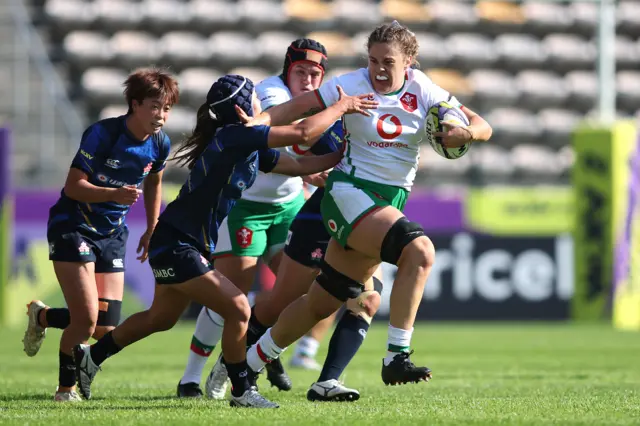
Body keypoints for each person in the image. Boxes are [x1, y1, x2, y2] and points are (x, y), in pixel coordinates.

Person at [72, 74, 378, 408]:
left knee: (161, 318)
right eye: (256, 99)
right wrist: (343, 105)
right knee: (238, 308)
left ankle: (90, 357)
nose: (262, 104)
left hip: (183, 242)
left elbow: (300, 164)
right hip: (177, 243)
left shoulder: (245, 144)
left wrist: (346, 155)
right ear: (241, 106)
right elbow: (303, 133)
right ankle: (242, 390)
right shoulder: (235, 136)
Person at [240, 21, 493, 391]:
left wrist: (466, 133)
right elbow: (298, 108)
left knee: (321, 302)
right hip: (348, 193)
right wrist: (259, 122)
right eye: (373, 60)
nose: (377, 69)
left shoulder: (423, 89)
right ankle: (396, 357)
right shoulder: (352, 84)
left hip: (387, 200)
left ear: (409, 61)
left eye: (387, 62)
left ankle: (245, 365)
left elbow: (482, 125)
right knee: (420, 251)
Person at [176, 39, 337, 398]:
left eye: (316, 73)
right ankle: (190, 377)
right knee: (229, 297)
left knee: (310, 289)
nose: (309, 80)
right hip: (246, 209)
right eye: (301, 72)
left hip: (290, 206)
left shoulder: (316, 96)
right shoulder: (270, 94)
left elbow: (301, 151)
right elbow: (302, 136)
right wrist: (341, 114)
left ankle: (260, 352)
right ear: (286, 70)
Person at [21, 67, 178, 402]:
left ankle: (42, 316)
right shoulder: (103, 134)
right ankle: (65, 391)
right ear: (135, 104)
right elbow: (73, 186)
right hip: (72, 226)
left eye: (166, 108)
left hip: (112, 234)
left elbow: (154, 182)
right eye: (154, 106)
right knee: (86, 321)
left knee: (106, 326)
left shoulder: (161, 143)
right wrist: (113, 193)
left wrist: (152, 227)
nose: (161, 115)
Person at [205, 119, 384, 402]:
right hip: (323, 219)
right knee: (282, 302)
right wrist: (326, 168)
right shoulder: (354, 119)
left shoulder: (411, 117)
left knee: (367, 299)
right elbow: (307, 150)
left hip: (370, 219)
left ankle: (327, 380)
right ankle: (231, 363)